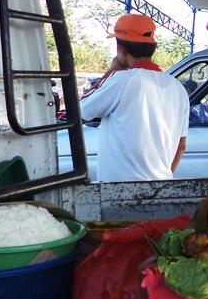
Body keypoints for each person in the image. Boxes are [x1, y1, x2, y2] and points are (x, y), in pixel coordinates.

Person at [80, 14, 190, 181]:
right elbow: (181, 146)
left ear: (122, 50)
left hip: (118, 191)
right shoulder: (178, 89)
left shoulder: (121, 80)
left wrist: (111, 71)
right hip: (161, 187)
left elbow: (81, 109)